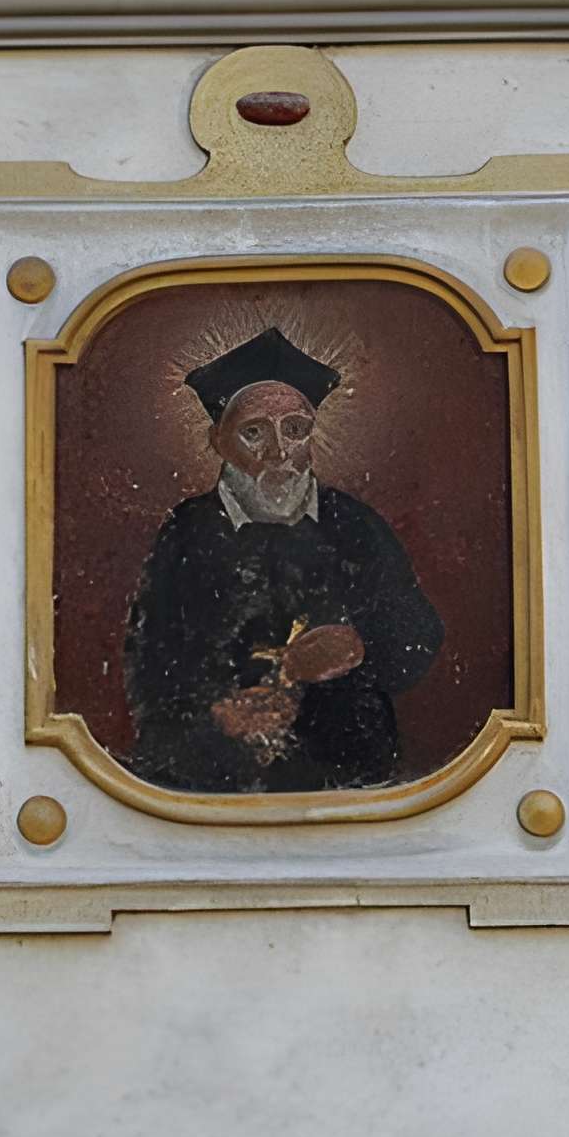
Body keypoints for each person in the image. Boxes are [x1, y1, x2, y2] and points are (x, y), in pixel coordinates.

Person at [121, 328, 443, 793]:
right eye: (254, 432)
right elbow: (150, 664)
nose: (278, 452)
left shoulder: (355, 525)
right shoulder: (186, 531)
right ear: (217, 440)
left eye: (295, 429)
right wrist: (217, 713)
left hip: (345, 777)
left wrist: (359, 646)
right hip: (215, 780)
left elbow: (417, 636)